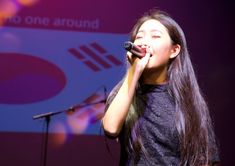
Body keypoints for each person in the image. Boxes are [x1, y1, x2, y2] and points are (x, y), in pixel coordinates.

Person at [102, 9, 220, 166]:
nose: (144, 42)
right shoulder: (124, 93)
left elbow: (207, 159)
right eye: (139, 36)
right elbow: (110, 128)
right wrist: (134, 72)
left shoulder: (189, 101)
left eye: (155, 36)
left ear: (174, 50)